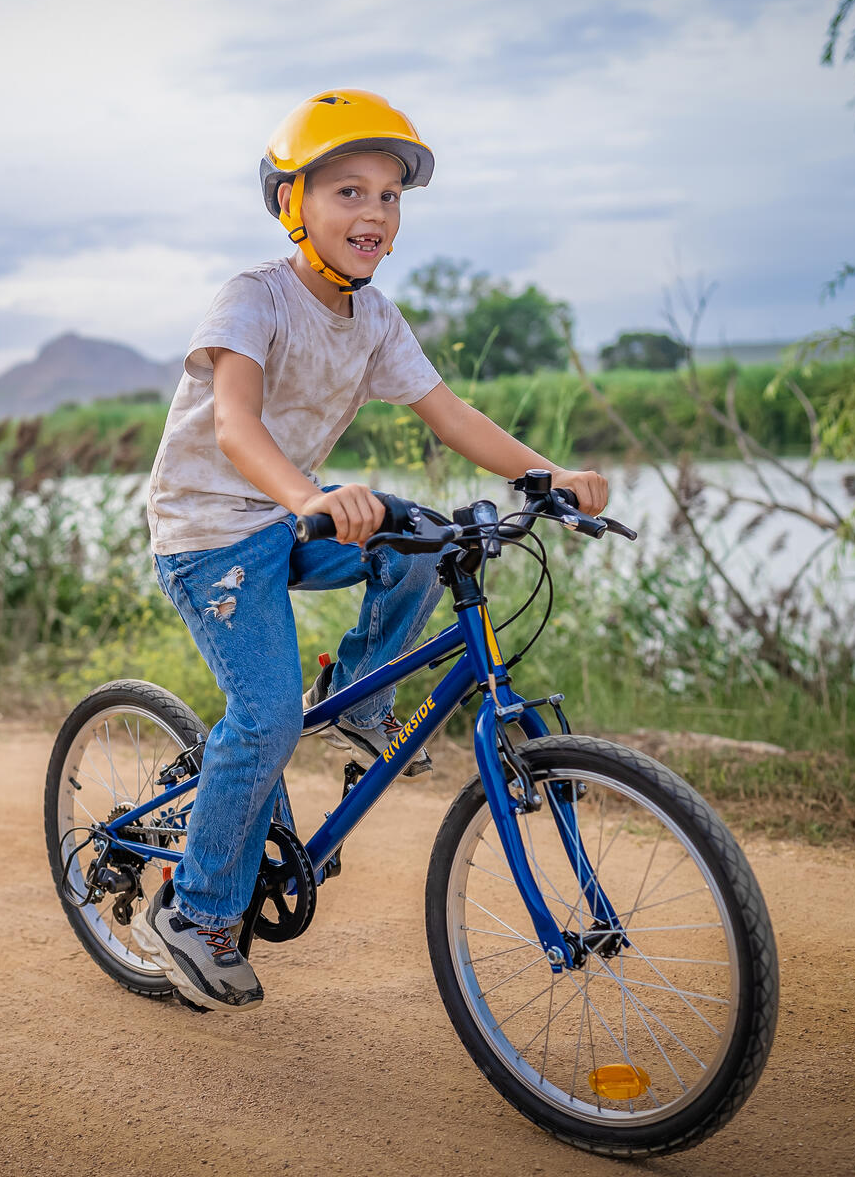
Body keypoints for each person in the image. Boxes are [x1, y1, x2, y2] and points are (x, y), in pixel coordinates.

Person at [135, 89, 608, 1012]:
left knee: (436, 539)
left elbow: (449, 412)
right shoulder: (254, 298)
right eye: (349, 191)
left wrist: (546, 475)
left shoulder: (377, 319)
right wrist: (313, 496)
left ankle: (362, 701)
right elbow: (234, 426)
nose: (375, 214)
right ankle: (192, 915)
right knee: (266, 717)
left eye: (390, 197)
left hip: (288, 522)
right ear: (292, 204)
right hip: (211, 537)